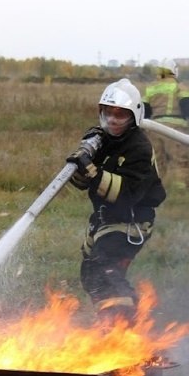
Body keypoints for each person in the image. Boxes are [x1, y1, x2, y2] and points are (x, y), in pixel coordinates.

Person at [66, 78, 166, 321]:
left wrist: (91, 171)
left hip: (130, 222)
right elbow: (83, 183)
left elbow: (126, 195)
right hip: (105, 219)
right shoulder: (105, 140)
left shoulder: (138, 148)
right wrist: (81, 167)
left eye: (120, 115)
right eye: (108, 113)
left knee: (103, 270)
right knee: (91, 274)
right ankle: (118, 322)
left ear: (133, 116)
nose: (112, 120)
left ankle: (123, 327)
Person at [142, 58, 189, 191]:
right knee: (180, 160)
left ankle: (155, 189)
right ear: (174, 71)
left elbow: (143, 110)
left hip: (154, 129)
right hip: (175, 130)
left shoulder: (151, 88)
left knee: (157, 162)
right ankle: (180, 189)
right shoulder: (179, 87)